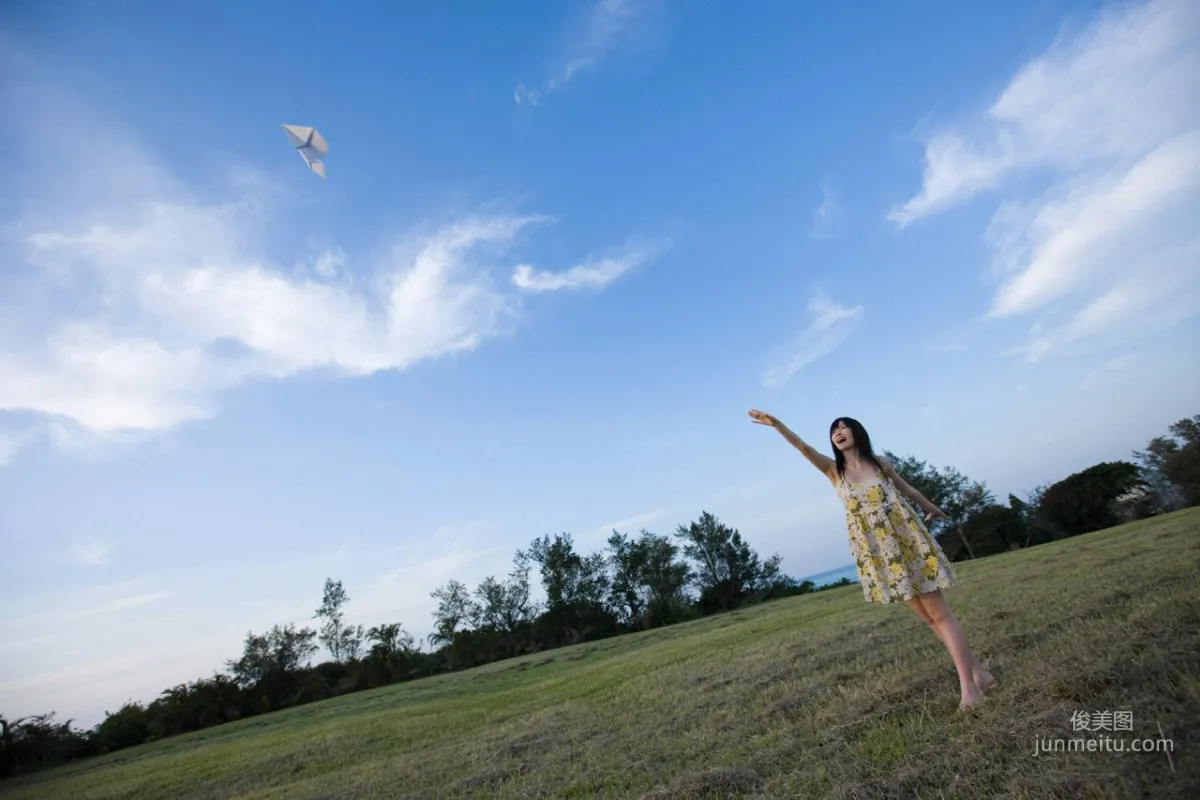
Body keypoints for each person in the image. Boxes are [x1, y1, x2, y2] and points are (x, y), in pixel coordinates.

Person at [748, 409, 994, 710]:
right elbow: (802, 447)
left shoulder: (880, 464)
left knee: (940, 614)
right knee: (928, 618)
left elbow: (907, 489)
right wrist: (776, 424)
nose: (838, 431)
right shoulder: (833, 472)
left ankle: (970, 688)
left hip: (906, 542)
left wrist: (931, 508)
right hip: (879, 554)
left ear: (856, 432)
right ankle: (979, 672)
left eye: (844, 426)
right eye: (833, 430)